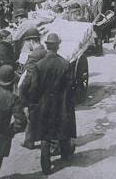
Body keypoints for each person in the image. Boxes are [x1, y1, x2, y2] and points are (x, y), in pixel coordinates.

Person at [28, 33, 77, 174]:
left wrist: (33, 104)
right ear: (58, 46)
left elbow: (34, 88)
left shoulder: (39, 65)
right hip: (61, 104)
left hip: (44, 104)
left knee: (45, 134)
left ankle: (45, 165)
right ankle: (65, 154)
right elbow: (70, 86)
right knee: (63, 128)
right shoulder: (65, 64)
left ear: (47, 46)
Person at [19, 46, 47, 149]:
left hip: (33, 101)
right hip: (45, 100)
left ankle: (29, 141)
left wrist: (24, 105)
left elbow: (22, 88)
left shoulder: (31, 73)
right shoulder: (47, 69)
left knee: (31, 120)